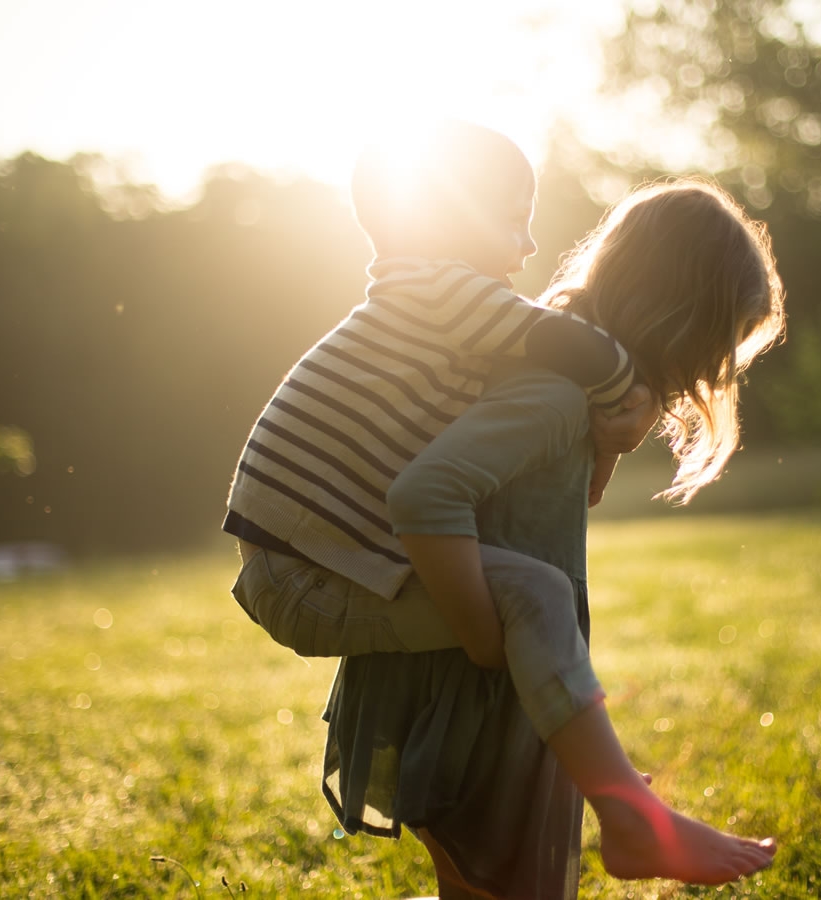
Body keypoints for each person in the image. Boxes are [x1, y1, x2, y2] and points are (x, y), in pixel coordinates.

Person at [323, 178, 786, 897]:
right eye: (718, 342)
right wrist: (484, 639)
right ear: (679, 320)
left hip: (494, 675)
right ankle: (634, 821)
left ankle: (626, 812)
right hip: (473, 680)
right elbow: (425, 495)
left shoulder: (570, 385)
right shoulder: (555, 394)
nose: (713, 369)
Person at [223, 120, 649, 744]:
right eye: (513, 219)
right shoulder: (440, 291)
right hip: (304, 578)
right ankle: (586, 773)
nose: (529, 245)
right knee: (537, 599)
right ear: (450, 219)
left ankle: (570, 767)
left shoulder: (424, 299)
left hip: (298, 568)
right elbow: (573, 345)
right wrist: (630, 401)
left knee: (527, 600)